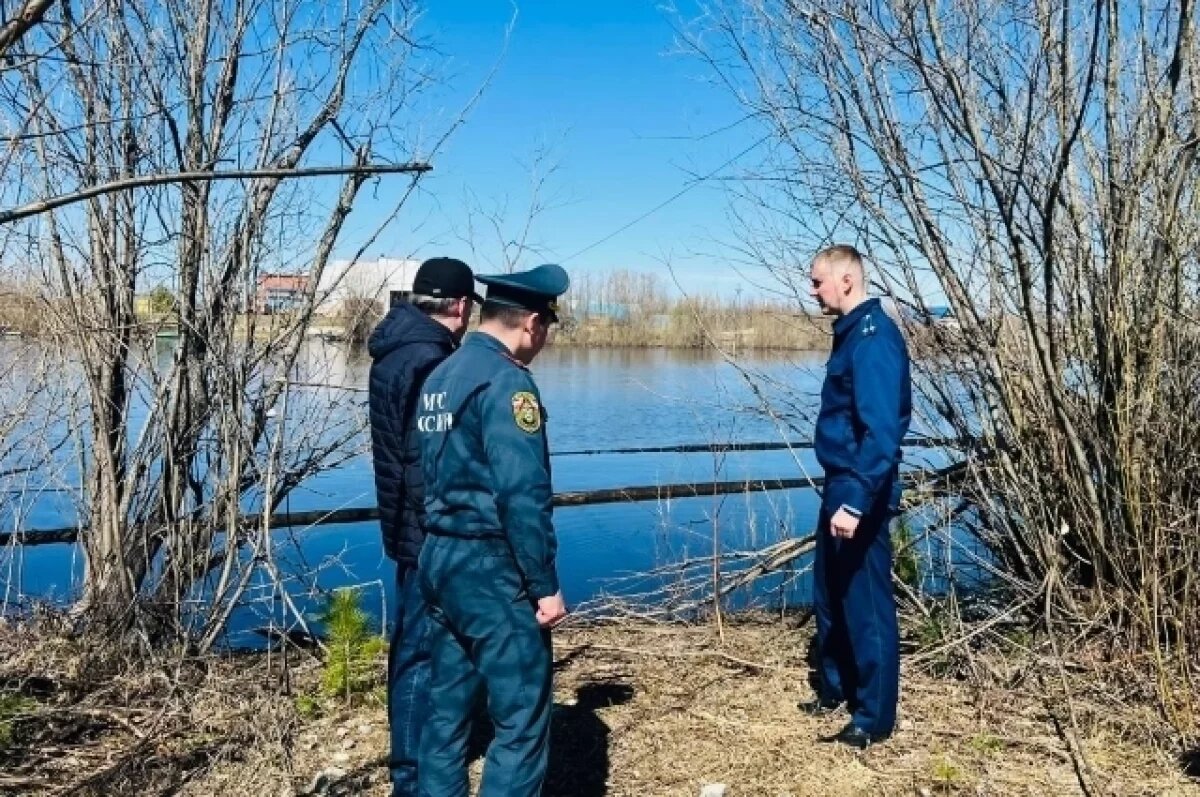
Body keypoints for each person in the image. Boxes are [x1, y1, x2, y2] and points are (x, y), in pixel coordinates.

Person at [414, 263, 570, 797]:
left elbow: (425, 475)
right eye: (547, 327)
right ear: (532, 322)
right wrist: (544, 584)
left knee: (445, 712)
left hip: (440, 560)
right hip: (490, 570)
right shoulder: (507, 384)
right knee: (521, 718)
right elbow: (522, 496)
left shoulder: (441, 375)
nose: (544, 340)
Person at [367, 256, 482, 796]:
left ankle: (415, 757)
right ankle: (410, 776)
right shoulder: (429, 358)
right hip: (426, 531)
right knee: (419, 652)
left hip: (401, 523)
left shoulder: (395, 349)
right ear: (460, 306)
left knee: (414, 646)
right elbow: (421, 461)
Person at [802, 243, 912, 750]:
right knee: (830, 593)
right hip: (840, 480)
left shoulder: (873, 340)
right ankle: (836, 688)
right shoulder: (849, 335)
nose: (812, 289)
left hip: (858, 484)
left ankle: (872, 717)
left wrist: (857, 500)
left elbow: (882, 432)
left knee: (865, 602)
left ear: (847, 280)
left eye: (818, 280)